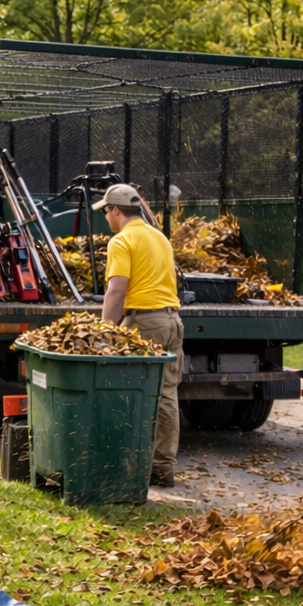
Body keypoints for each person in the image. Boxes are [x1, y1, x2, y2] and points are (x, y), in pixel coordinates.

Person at [95, 184, 182, 487]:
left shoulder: (122, 241)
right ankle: (162, 468)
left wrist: (105, 330)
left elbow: (117, 290)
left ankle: (126, 464)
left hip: (144, 326)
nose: (106, 217)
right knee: (167, 396)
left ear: (116, 210)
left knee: (131, 395)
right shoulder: (160, 238)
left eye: (106, 211)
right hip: (172, 322)